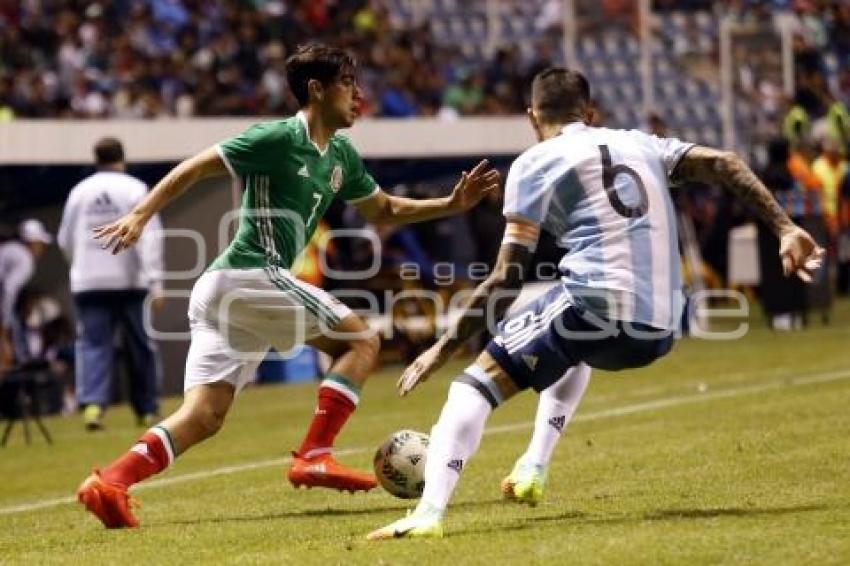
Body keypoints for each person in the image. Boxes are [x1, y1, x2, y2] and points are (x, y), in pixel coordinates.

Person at [367, 67, 824, 540]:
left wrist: (440, 350)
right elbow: (726, 161)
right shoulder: (643, 143)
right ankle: (534, 466)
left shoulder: (535, 162)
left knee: (472, 388)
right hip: (664, 325)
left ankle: (428, 513)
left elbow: (506, 277)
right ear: (591, 113)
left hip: (597, 303)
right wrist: (786, 228)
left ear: (531, 117)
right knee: (567, 338)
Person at [76, 43, 499, 529]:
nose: (358, 94)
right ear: (316, 89)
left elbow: (383, 210)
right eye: (347, 83)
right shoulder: (275, 138)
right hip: (250, 274)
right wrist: (139, 213)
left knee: (205, 416)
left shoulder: (340, 153)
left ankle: (111, 482)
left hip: (228, 291)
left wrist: (451, 202)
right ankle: (315, 453)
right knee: (362, 339)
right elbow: (195, 166)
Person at [58, 137, 164, 431]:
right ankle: (145, 410)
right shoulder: (134, 188)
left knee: (93, 344)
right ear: (123, 158)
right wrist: (155, 279)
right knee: (139, 346)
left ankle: (93, 406)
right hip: (129, 280)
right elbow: (150, 236)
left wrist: (78, 266)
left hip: (89, 282)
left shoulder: (79, 192)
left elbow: (65, 238)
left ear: (96, 159)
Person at [0, 219, 52, 369]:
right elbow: (9, 289)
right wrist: (4, 323)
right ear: (32, 242)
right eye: (41, 243)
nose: (42, 249)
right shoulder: (26, 259)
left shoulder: (10, 248)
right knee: (14, 332)